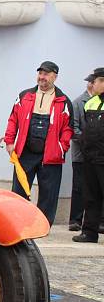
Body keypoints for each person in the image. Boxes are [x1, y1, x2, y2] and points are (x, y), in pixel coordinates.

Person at [2, 61, 73, 225]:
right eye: (40, 73)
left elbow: (68, 129)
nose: (42, 77)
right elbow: (13, 120)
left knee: (49, 192)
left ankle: (42, 225)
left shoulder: (63, 101)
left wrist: (61, 148)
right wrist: (9, 141)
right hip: (25, 151)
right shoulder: (24, 96)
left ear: (55, 77)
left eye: (46, 74)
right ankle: (17, 222)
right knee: (19, 189)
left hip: (50, 154)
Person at [72, 68, 104, 243]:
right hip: (90, 158)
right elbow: (86, 129)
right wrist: (85, 146)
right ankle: (89, 233)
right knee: (90, 197)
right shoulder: (91, 103)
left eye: (96, 81)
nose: (92, 84)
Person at [69, 74, 95, 231]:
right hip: (81, 154)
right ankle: (75, 220)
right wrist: (89, 142)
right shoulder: (78, 103)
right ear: (91, 84)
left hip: (97, 155)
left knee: (95, 188)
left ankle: (94, 221)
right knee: (78, 187)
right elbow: (73, 128)